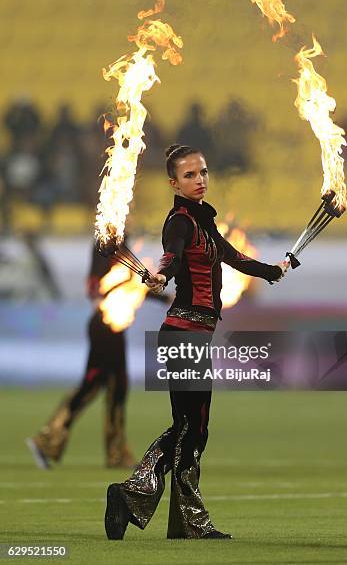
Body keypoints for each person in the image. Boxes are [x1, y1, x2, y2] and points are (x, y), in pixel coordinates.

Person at [104, 144, 289, 540]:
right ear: (174, 182)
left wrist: (274, 270)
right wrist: (161, 276)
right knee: (194, 427)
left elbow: (236, 258)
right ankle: (164, 509)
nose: (199, 179)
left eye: (202, 172)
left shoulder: (205, 224)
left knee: (188, 426)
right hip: (185, 332)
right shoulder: (181, 221)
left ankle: (141, 499)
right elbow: (170, 255)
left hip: (193, 334)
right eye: (189, 175)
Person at [26, 245, 136, 469]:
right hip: (106, 325)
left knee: (115, 387)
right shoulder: (106, 246)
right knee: (96, 385)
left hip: (113, 326)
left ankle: (115, 453)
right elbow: (96, 286)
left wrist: (163, 296)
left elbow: (134, 287)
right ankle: (48, 439)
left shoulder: (122, 247)